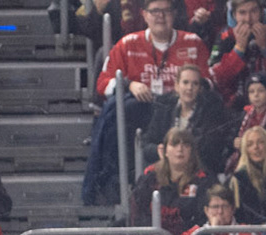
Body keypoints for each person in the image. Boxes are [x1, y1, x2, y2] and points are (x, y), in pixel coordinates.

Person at [80, 0, 208, 206]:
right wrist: (129, 84)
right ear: (144, 15)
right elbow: (102, 84)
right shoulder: (127, 43)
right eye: (154, 11)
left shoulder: (192, 42)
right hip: (142, 115)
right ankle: (113, 182)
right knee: (120, 108)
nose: (160, 16)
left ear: (174, 14)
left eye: (165, 11)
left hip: (180, 111)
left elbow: (208, 82)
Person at [207, 0, 266, 109]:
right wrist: (238, 49)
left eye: (254, 11)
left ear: (261, 11)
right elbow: (216, 77)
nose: (248, 19)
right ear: (234, 15)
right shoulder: (225, 36)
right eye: (242, 13)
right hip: (236, 104)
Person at [225, 123, 266, 222]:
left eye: (260, 142)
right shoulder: (240, 178)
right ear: (245, 150)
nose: (256, 147)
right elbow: (242, 213)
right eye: (250, 144)